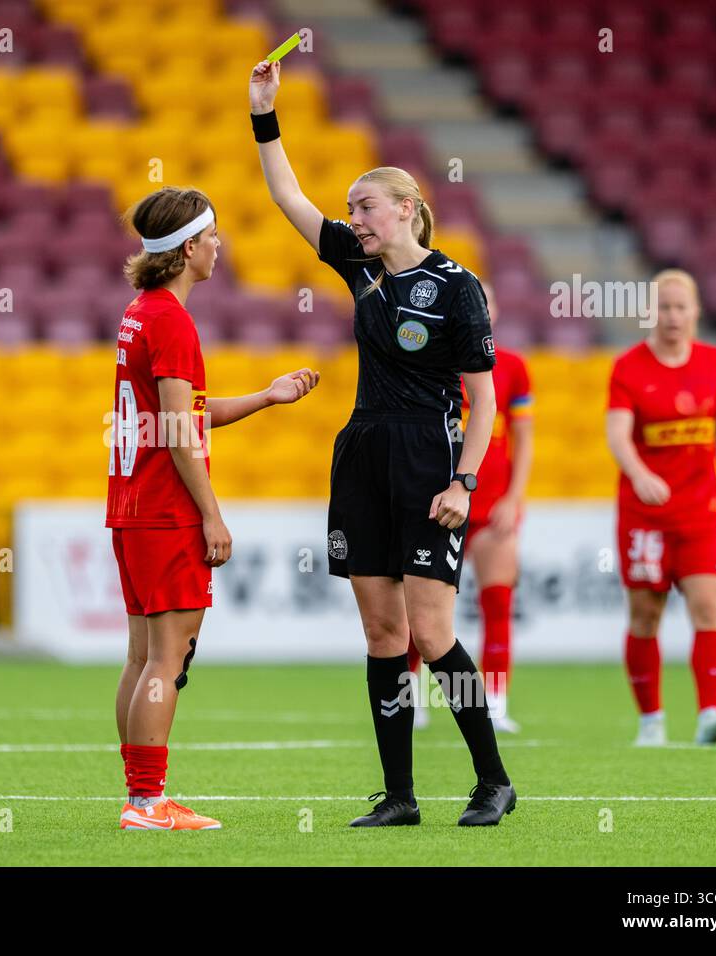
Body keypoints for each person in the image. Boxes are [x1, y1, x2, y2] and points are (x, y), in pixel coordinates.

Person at [250, 59, 516, 826]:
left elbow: (485, 400)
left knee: (432, 632)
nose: (353, 219)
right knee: (382, 631)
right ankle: (400, 796)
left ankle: (492, 779)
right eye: (350, 210)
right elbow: (284, 194)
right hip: (362, 451)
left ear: (405, 208)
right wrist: (265, 114)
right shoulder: (354, 265)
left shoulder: (458, 286)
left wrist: (462, 483)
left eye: (364, 207)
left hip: (428, 457)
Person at [109, 185, 320, 830]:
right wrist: (211, 513)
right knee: (166, 659)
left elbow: (184, 413)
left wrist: (265, 397)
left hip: (131, 504)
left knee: (143, 656)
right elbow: (178, 431)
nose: (219, 245)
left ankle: (141, 794)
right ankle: (147, 802)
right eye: (212, 236)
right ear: (188, 248)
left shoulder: (142, 312)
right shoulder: (172, 320)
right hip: (166, 511)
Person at [606, 268, 716, 747]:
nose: (672, 316)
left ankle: (710, 713)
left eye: (680, 307)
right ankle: (652, 720)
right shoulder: (628, 367)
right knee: (646, 616)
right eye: (663, 307)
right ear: (651, 313)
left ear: (696, 312)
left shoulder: (714, 363)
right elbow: (617, 433)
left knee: (708, 606)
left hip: (700, 512)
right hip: (645, 515)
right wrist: (640, 473)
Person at [407, 283, 533, 733]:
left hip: (493, 506)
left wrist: (514, 499)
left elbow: (524, 440)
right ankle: (411, 698)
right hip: (438, 502)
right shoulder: (429, 360)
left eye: (485, 303)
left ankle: (495, 701)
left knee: (497, 603)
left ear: (494, 311)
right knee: (420, 611)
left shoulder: (514, 367)